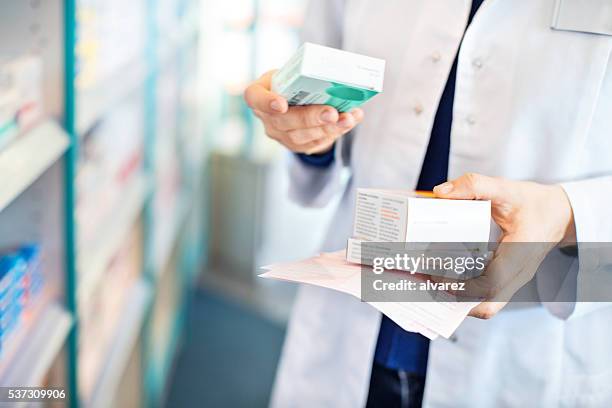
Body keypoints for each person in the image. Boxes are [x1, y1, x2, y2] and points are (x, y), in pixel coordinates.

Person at [244, 1, 612, 407]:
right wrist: (305, 133)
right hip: (353, 326)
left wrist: (570, 214)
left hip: (527, 348)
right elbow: (323, 100)